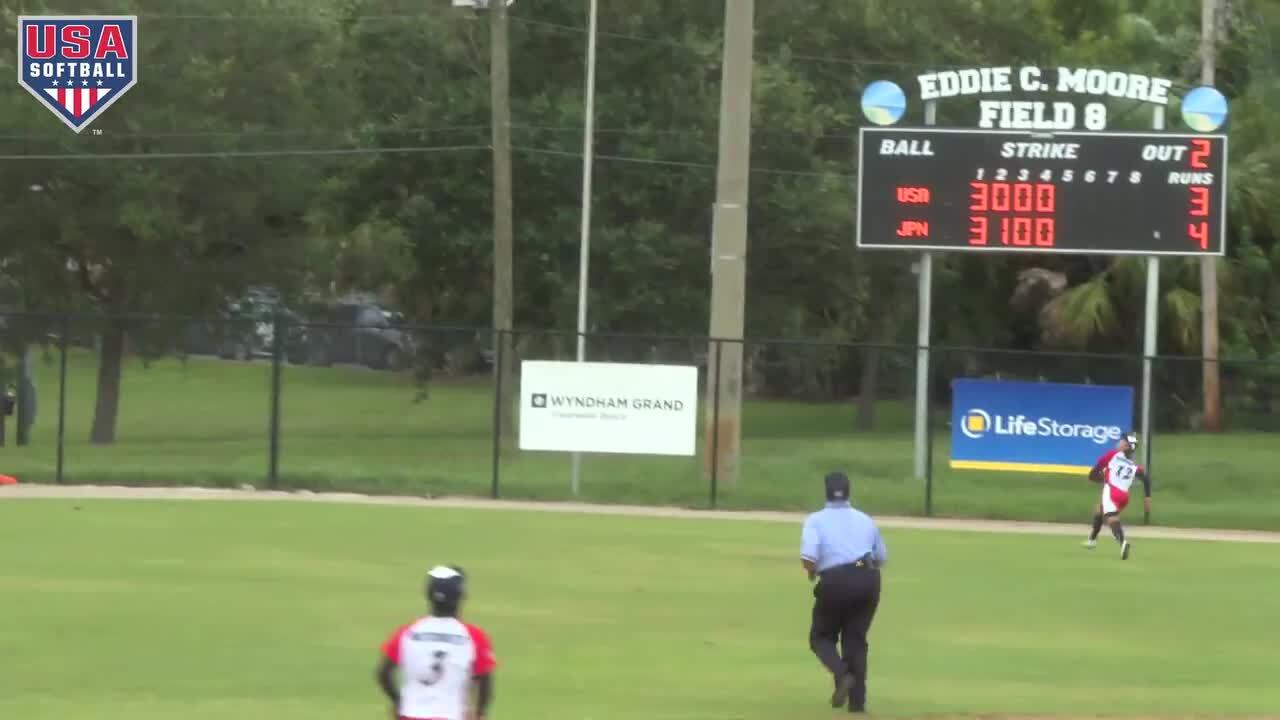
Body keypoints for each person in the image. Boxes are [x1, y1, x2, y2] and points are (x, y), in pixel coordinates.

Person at [800, 471, 888, 714]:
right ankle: (857, 705)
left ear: (826, 492)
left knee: (821, 637)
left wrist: (812, 573)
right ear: (849, 491)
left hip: (835, 580)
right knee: (855, 640)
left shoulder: (815, 520)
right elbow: (881, 557)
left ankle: (842, 674)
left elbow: (809, 557)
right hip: (869, 578)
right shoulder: (865, 519)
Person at [376, 565, 497, 720]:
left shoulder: (407, 632)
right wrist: (479, 713)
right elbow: (485, 683)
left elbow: (383, 673)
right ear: (461, 597)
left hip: (410, 715)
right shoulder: (474, 637)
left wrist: (399, 701)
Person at [1083, 431, 1151, 559]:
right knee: (1099, 510)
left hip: (1111, 490)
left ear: (1125, 446)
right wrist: (1147, 497)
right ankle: (1092, 540)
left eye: (1122, 441)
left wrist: (1096, 477)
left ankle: (1123, 542)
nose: (1119, 442)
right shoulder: (1133, 466)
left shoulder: (1112, 455)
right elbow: (1146, 479)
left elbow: (1094, 472)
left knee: (1111, 518)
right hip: (1124, 496)